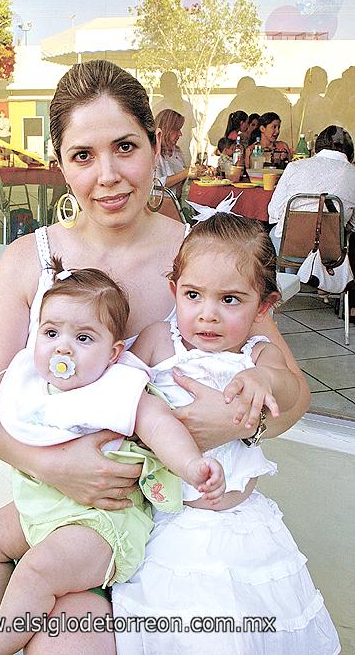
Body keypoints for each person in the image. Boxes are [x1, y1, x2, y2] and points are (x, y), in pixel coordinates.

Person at [0, 60, 309, 654]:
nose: (109, 176)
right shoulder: (28, 262)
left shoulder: (205, 258)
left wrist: (240, 420)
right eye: (83, 155)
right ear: (60, 163)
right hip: (80, 520)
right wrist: (57, 466)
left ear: (157, 146)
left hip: (185, 528)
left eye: (125, 146)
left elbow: (294, 394)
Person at [0, 260, 225, 655]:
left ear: (114, 352)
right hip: (44, 507)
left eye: (84, 338)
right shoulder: (29, 383)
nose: (63, 347)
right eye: (51, 333)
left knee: (37, 570)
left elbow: (160, 427)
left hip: (101, 524)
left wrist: (191, 464)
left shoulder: (119, 387)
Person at [113, 213, 340, 654]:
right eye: (193, 295)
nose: (208, 314)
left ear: (263, 306)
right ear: (174, 290)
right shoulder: (160, 340)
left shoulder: (260, 352)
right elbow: (117, 390)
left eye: (231, 300)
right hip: (169, 521)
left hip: (242, 529)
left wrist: (264, 381)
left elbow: (291, 387)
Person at [268, 125, 355, 253]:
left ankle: (288, 272)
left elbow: (274, 212)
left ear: (315, 149)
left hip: (289, 247)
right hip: (331, 251)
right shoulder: (352, 173)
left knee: (277, 233)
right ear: (350, 152)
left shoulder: (295, 166)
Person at [153, 71, 196, 166]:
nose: (180, 133)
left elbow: (191, 130)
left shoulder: (187, 106)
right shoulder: (158, 108)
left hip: (183, 155)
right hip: (165, 157)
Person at [154, 108, 190, 200]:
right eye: (177, 129)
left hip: (178, 203)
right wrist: (187, 172)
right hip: (160, 206)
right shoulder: (152, 153)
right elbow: (157, 184)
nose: (180, 134)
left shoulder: (177, 151)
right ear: (166, 129)